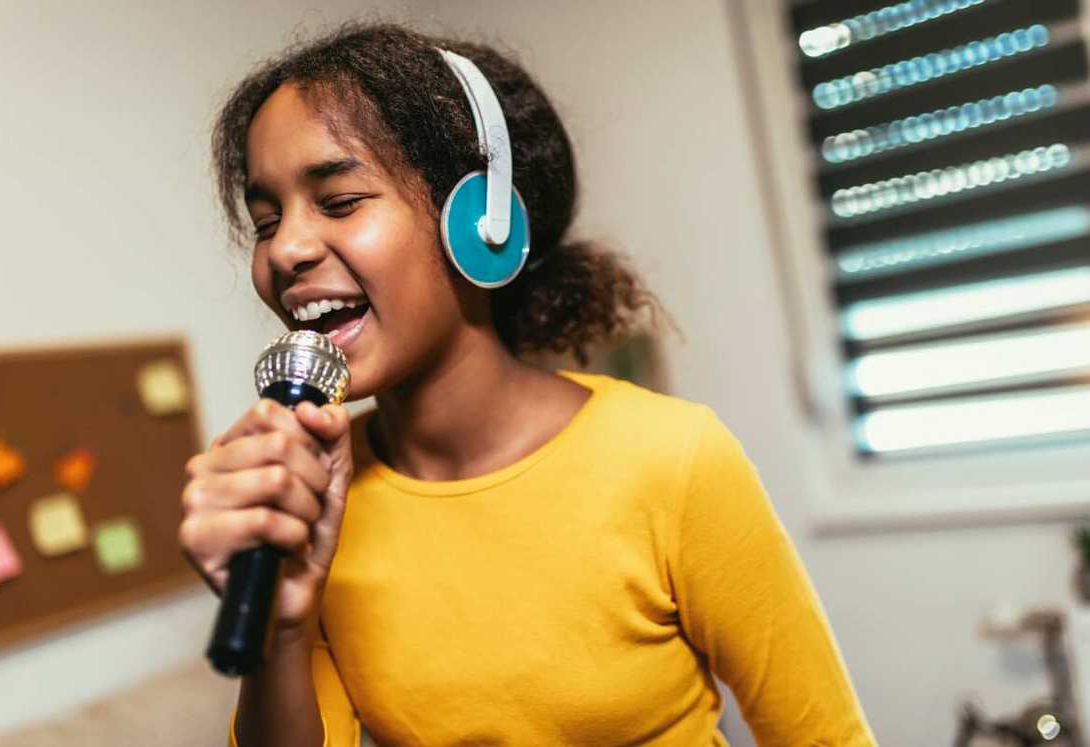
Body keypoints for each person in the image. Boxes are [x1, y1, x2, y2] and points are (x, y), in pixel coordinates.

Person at [179, 21, 876, 747]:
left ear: (482, 220)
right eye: (266, 220)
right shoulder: (318, 498)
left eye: (340, 200)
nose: (285, 250)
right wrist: (283, 627)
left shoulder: (674, 459)